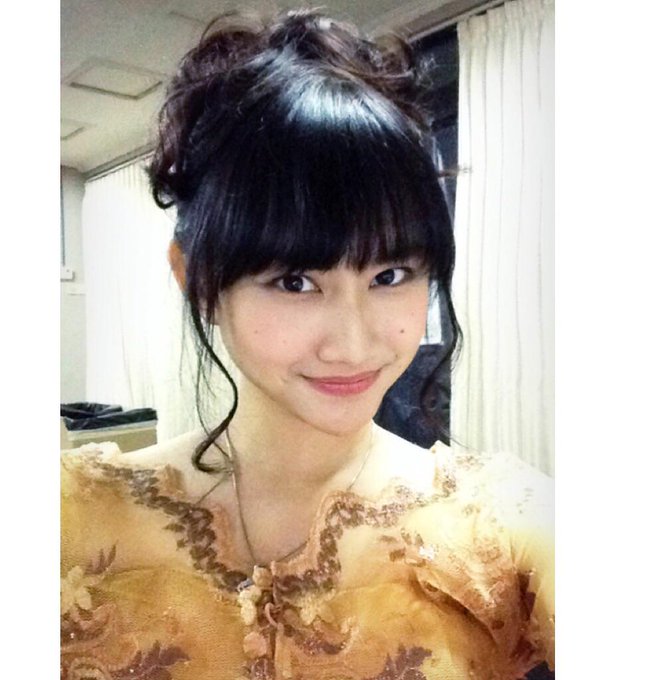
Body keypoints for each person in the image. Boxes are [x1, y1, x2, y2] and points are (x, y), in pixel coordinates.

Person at [61, 9, 554, 680]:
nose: (353, 343)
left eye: (390, 276)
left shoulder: (506, 526)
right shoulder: (69, 520)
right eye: (295, 281)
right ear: (196, 279)